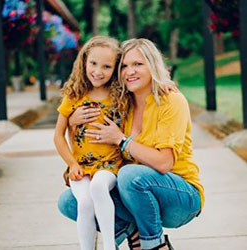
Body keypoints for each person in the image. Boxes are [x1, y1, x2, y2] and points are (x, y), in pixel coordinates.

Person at [58, 38, 204, 250]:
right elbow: (83, 129)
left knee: (130, 175)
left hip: (180, 196)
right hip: (139, 195)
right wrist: (71, 120)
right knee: (70, 201)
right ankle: (131, 233)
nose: (129, 71)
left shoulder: (171, 101)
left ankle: (153, 245)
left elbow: (164, 163)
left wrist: (121, 140)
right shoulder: (121, 103)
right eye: (124, 66)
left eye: (138, 64)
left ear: (152, 65)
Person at [54, 36, 128, 250]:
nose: (98, 71)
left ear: (115, 69)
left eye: (106, 66)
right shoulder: (74, 95)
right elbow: (58, 136)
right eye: (93, 63)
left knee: (98, 186)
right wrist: (72, 164)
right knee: (84, 203)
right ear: (84, 62)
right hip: (80, 166)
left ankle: (109, 246)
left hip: (109, 165)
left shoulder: (120, 96)